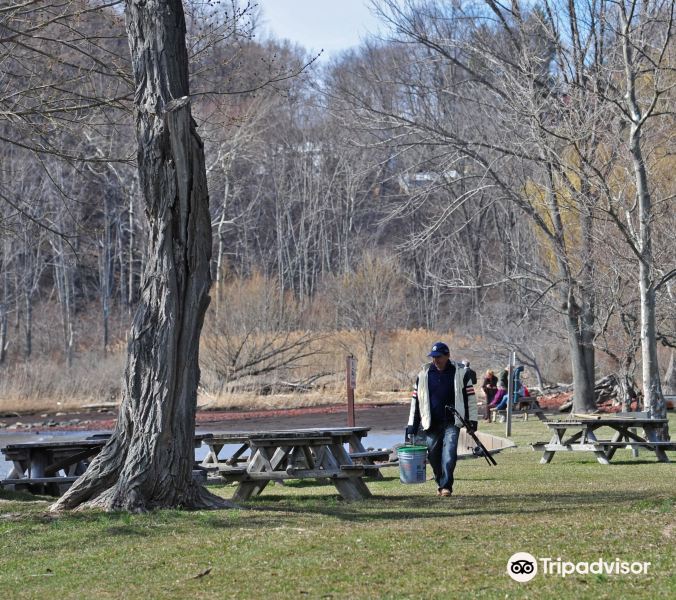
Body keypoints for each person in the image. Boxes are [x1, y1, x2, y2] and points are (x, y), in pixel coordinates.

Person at [405, 342, 478, 497]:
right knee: (433, 455)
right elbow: (415, 402)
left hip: (452, 421)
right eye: (433, 357)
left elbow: (470, 399)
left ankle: (446, 486)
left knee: (450, 453)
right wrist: (412, 424)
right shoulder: (423, 375)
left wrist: (472, 421)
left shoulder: (461, 374)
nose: (435, 360)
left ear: (447, 356)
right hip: (430, 422)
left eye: (439, 357)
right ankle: (440, 482)